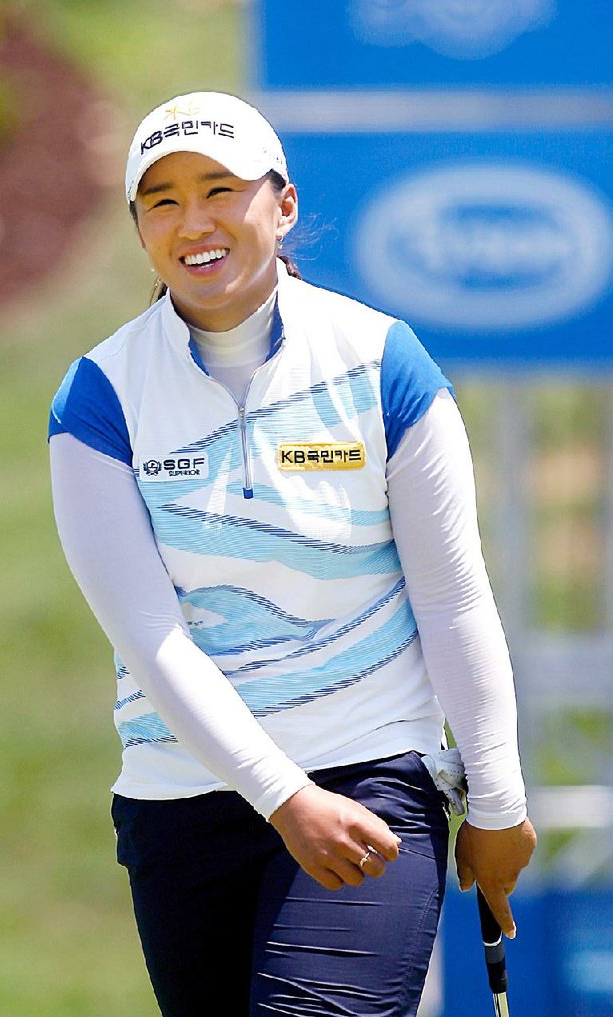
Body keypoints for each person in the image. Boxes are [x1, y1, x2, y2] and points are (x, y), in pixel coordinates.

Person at [48, 90, 536, 1017]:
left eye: (221, 189)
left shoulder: (383, 362)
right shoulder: (99, 395)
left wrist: (499, 800)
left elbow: (454, 598)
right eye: (162, 199)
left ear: (284, 203)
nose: (195, 221)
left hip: (369, 776)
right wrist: (281, 798)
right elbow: (153, 638)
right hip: (183, 799)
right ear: (138, 228)